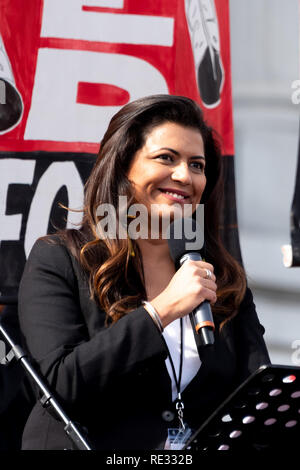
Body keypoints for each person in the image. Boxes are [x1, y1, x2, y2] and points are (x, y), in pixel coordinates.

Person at [18, 94, 270, 450]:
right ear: (123, 167)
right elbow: (60, 385)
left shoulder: (221, 277)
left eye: (197, 165)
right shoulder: (60, 259)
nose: (185, 176)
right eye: (166, 158)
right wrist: (162, 310)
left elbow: (256, 396)